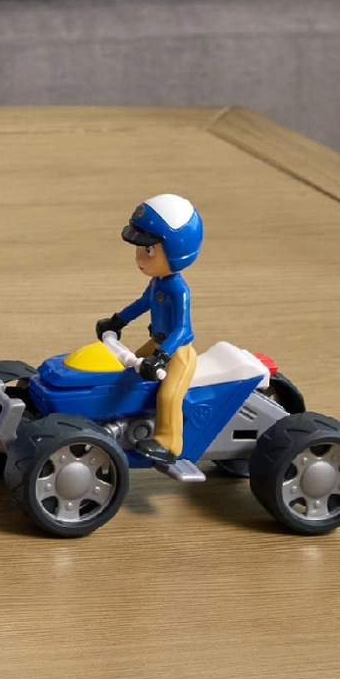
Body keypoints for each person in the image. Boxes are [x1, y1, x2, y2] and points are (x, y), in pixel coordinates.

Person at [96, 194, 204, 477]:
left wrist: (162, 356)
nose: (139, 258)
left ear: (176, 251)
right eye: (140, 249)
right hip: (157, 344)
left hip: (178, 352)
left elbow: (183, 330)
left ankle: (169, 444)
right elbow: (143, 303)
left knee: (169, 395)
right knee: (125, 373)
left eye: (149, 250)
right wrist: (117, 320)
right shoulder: (157, 282)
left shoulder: (178, 289)